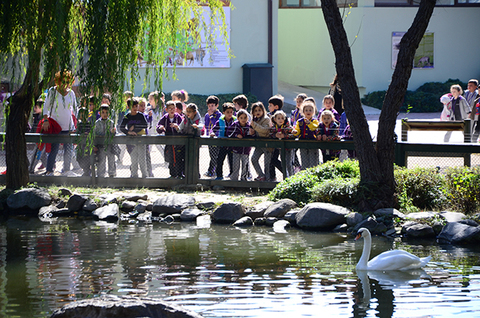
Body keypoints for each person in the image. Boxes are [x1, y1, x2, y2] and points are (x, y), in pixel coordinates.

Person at [42, 69, 77, 176]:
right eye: (63, 81)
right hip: (56, 126)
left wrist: (75, 125)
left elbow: (75, 109)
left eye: (68, 82)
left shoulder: (71, 93)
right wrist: (46, 120)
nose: (65, 84)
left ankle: (66, 170)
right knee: (54, 149)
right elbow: (46, 107)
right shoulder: (52, 91)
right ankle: (49, 170)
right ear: (58, 81)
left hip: (68, 127)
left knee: (68, 149)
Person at [120, 98, 148, 178]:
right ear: (128, 107)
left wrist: (135, 127)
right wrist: (129, 132)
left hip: (141, 138)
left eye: (136, 106)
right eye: (133, 107)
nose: (135, 108)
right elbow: (121, 128)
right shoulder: (127, 116)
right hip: (131, 140)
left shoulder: (140, 115)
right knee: (134, 159)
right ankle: (134, 175)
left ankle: (144, 176)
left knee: (142, 159)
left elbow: (145, 125)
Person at [157, 101, 184, 178]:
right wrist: (160, 128)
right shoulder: (165, 118)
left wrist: (177, 126)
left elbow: (182, 127)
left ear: (175, 109)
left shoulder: (178, 117)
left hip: (177, 142)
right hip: (169, 142)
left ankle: (180, 174)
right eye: (170, 109)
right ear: (166, 109)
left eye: (173, 108)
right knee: (171, 159)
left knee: (179, 158)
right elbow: (158, 126)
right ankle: (172, 174)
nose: (172, 110)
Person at [210, 102, 236, 180]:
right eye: (228, 112)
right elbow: (214, 129)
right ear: (224, 112)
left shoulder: (235, 121)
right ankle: (219, 175)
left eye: (231, 112)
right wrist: (212, 133)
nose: (230, 114)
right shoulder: (220, 121)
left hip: (232, 144)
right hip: (222, 144)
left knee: (232, 161)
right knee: (220, 160)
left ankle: (232, 175)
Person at [228, 109, 254, 181]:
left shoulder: (249, 126)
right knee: (235, 165)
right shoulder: (235, 125)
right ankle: (234, 179)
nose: (243, 119)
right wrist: (236, 135)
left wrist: (251, 133)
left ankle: (244, 178)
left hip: (246, 149)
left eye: (245, 118)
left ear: (247, 118)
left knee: (245, 165)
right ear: (238, 118)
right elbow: (229, 133)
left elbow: (252, 135)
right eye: (241, 118)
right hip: (236, 149)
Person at [293, 100, 319, 169]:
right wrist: (295, 132)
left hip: (313, 143)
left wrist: (309, 123)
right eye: (306, 110)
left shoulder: (315, 121)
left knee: (313, 162)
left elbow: (314, 128)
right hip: (303, 142)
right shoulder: (300, 121)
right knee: (304, 161)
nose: (308, 112)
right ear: (303, 112)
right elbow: (298, 130)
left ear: (313, 112)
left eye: (310, 110)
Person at [250, 101, 272, 181]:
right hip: (259, 144)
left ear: (263, 110)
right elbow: (255, 131)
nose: (257, 112)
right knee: (254, 159)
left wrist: (254, 126)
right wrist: (252, 132)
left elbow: (265, 131)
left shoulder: (266, 119)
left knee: (267, 163)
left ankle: (268, 180)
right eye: (255, 111)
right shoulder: (255, 120)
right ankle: (261, 175)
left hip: (267, 145)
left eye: (259, 110)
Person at [269, 110, 294, 178]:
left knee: (289, 164)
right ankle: (286, 178)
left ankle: (292, 177)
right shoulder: (274, 128)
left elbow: (293, 135)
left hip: (289, 148)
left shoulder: (287, 127)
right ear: (275, 119)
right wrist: (275, 135)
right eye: (279, 118)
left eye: (282, 118)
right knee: (283, 164)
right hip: (280, 148)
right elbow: (270, 134)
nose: (281, 120)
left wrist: (285, 135)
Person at [94, 104, 116, 177]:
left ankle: (112, 173)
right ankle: (101, 175)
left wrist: (113, 132)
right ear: (100, 113)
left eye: (106, 112)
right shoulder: (97, 123)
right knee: (101, 159)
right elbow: (95, 133)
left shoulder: (111, 122)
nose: (105, 114)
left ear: (109, 113)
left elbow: (114, 132)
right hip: (100, 144)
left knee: (111, 159)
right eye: (103, 112)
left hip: (109, 144)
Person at [204, 95, 222, 178]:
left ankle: (211, 170)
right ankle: (212, 170)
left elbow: (216, 124)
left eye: (212, 106)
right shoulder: (207, 115)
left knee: (215, 155)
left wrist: (211, 116)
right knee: (211, 155)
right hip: (209, 137)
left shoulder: (219, 115)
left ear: (216, 106)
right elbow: (206, 125)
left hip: (217, 137)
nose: (210, 108)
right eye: (209, 106)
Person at [267, 94, 284, 181]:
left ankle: (286, 173)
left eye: (270, 105)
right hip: (272, 140)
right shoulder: (269, 115)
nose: (268, 107)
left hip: (280, 141)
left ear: (276, 107)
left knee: (275, 159)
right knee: (271, 159)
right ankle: (272, 176)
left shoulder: (280, 116)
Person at [291, 93, 307, 173]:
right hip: (294, 133)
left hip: (302, 133)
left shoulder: (305, 112)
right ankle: (297, 166)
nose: (298, 103)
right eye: (297, 101)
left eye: (300, 101)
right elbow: (292, 122)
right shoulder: (294, 112)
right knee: (293, 150)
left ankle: (304, 167)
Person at [138, 97, 154, 177]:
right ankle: (135, 173)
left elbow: (148, 123)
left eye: (144, 106)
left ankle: (149, 173)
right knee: (136, 157)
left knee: (147, 156)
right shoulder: (136, 115)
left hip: (145, 138)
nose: (143, 107)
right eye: (141, 105)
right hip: (138, 138)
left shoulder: (145, 115)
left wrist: (150, 117)